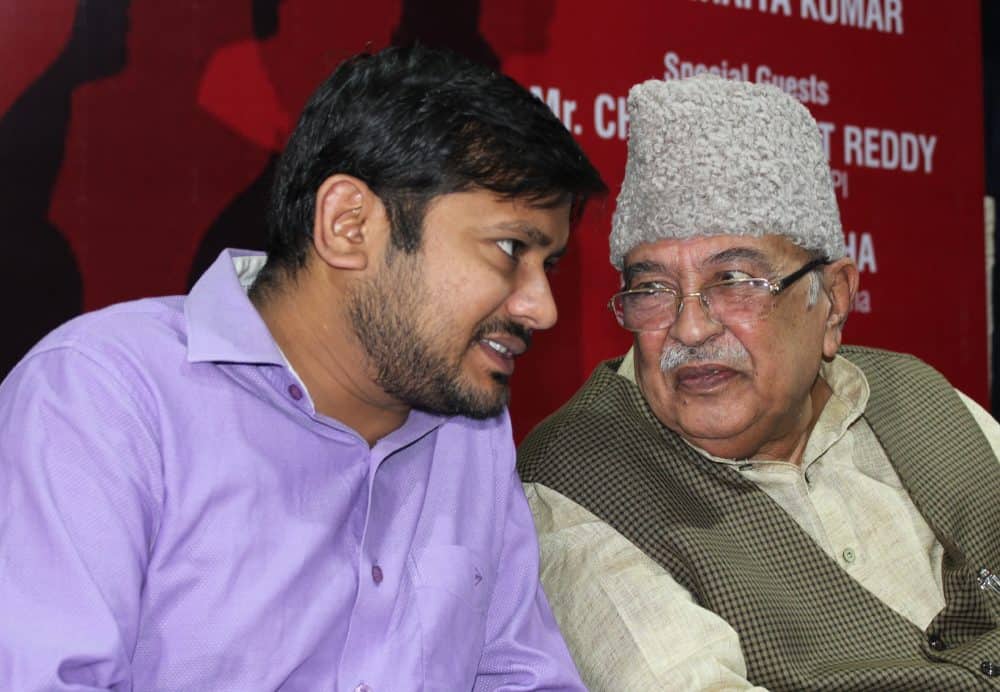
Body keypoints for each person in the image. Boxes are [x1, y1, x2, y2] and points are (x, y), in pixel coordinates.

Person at [0, 45, 605, 690]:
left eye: (549, 265)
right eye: (510, 248)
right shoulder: (103, 397)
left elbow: (520, 675)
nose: (542, 309)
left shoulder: (469, 434)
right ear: (348, 224)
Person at [518, 73, 1000, 690]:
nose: (690, 328)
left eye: (735, 281)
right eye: (652, 288)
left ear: (833, 301)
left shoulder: (922, 397)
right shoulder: (580, 483)